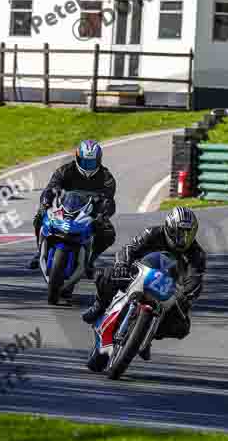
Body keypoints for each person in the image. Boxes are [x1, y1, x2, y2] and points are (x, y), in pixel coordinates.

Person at [82, 207, 206, 361]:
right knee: (105, 275)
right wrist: (122, 264)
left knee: (182, 327)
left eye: (188, 234)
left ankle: (146, 335)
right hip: (139, 273)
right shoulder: (152, 233)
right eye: (180, 232)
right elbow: (129, 249)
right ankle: (99, 305)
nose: (184, 238)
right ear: (170, 227)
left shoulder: (197, 254)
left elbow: (195, 278)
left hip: (166, 288)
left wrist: (187, 296)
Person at [28, 139, 116, 274]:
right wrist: (45, 204)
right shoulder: (65, 170)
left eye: (91, 162)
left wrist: (102, 214)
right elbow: (50, 188)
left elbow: (109, 200)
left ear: (99, 160)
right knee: (40, 217)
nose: (88, 166)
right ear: (77, 158)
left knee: (108, 233)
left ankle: (90, 260)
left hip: (89, 212)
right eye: (85, 162)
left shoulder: (106, 177)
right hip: (64, 207)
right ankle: (40, 251)